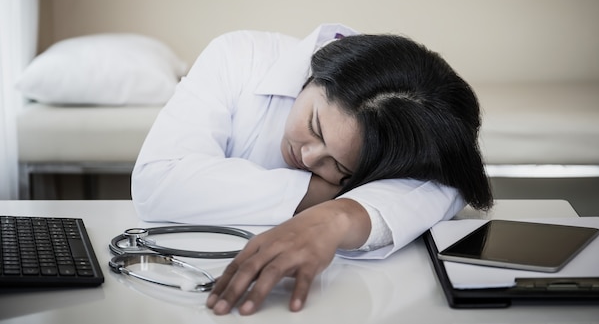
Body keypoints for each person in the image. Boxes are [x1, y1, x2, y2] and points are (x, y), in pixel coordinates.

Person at [131, 23, 492, 315]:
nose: (307, 157)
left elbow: (447, 184)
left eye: (339, 167)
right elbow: (157, 180)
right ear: (317, 72)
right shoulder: (239, 56)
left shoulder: (401, 133)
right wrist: (319, 194)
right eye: (315, 125)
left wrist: (335, 219)